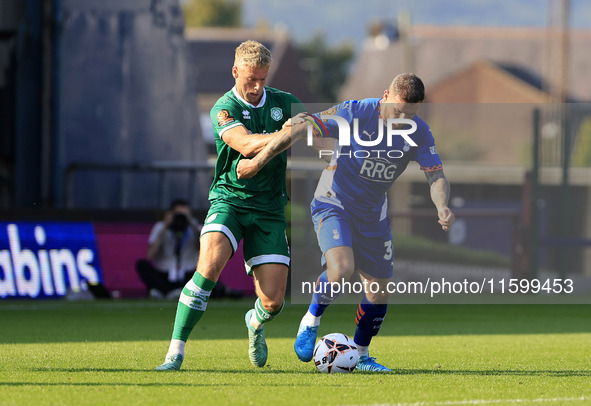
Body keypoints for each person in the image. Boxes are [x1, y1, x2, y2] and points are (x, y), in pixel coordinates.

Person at [156, 40, 309, 371]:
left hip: (269, 208)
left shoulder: (284, 103)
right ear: (235, 71)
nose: (256, 87)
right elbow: (242, 144)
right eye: (250, 79)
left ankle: (254, 322)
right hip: (230, 199)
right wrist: (285, 135)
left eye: (262, 80)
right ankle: (175, 353)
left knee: (274, 301)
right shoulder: (223, 108)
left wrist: (308, 129)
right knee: (209, 266)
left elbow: (316, 130)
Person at [291, 73, 456, 372]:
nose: (402, 120)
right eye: (398, 111)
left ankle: (363, 356)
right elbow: (310, 124)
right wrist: (300, 130)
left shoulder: (419, 131)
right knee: (341, 268)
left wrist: (441, 204)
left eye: (410, 115)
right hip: (334, 199)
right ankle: (310, 320)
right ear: (385, 96)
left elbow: (435, 175)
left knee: (379, 291)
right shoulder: (357, 111)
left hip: (372, 213)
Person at [136, 198, 202, 299]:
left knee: (206, 270)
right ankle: (168, 292)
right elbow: (150, 255)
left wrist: (191, 224)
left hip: (188, 274)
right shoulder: (160, 227)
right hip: (164, 273)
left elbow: (203, 250)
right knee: (142, 265)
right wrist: (165, 227)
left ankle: (162, 292)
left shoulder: (195, 227)